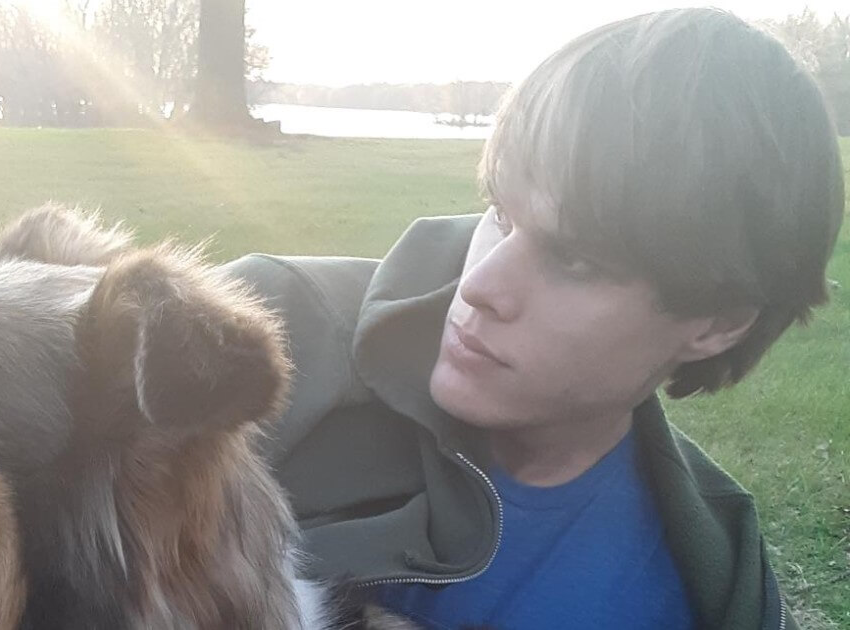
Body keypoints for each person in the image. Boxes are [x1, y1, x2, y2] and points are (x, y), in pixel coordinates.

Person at [225, 8, 844, 630]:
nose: (478, 284)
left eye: (575, 259)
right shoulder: (259, 334)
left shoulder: (713, 577)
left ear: (717, 322)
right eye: (501, 212)